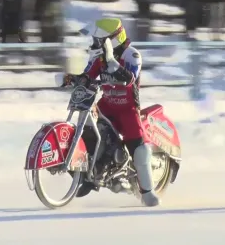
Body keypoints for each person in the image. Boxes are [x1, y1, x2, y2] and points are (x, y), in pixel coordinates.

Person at [63, 18, 160, 207]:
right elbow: (88, 75)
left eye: (98, 40)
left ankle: (148, 192)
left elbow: (129, 78)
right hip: (106, 106)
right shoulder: (100, 58)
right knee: (89, 135)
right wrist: (73, 79)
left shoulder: (132, 55)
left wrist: (112, 62)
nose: (94, 44)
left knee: (139, 149)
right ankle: (89, 176)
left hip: (128, 109)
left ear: (111, 40)